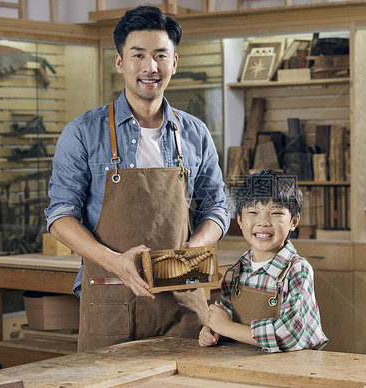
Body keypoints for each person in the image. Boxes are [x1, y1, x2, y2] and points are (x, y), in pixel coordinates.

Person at [44, 5, 229, 352]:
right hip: (110, 300)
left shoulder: (195, 133)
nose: (150, 67)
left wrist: (197, 246)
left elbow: (217, 207)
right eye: (138, 55)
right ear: (120, 62)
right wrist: (114, 261)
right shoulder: (83, 132)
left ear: (174, 62)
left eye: (161, 55)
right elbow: (60, 216)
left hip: (183, 301)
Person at [199, 169, 328, 352]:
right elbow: (225, 322)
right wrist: (213, 331)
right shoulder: (234, 273)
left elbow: (289, 336)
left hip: (296, 370)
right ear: (240, 221)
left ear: (294, 221)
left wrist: (227, 327)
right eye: (253, 211)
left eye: (275, 213)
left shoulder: (298, 271)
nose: (263, 222)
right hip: (245, 368)